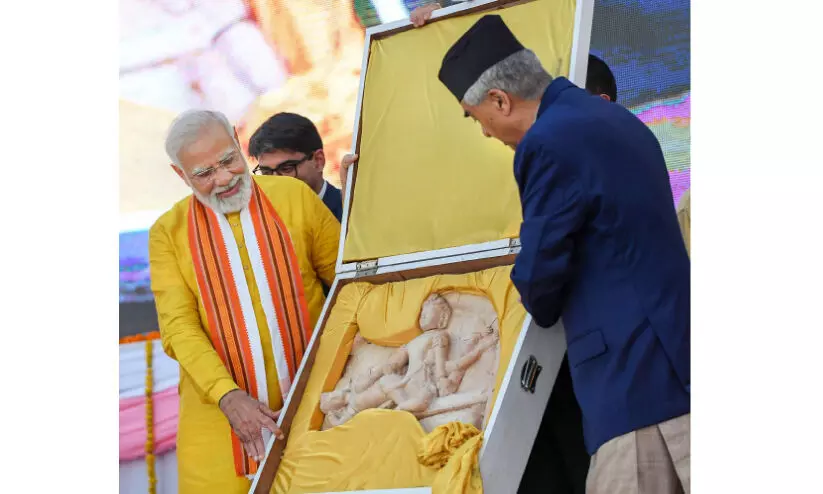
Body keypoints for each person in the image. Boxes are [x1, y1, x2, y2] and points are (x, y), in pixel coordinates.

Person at [436, 15, 691, 494]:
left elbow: (540, 282)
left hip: (635, 389)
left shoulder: (546, 143)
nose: (486, 133)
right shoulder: (612, 117)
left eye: (477, 118)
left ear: (500, 100)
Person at [149, 110, 339, 494]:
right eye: (204, 173)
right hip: (217, 421)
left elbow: (348, 282)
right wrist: (227, 396)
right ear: (180, 175)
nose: (223, 179)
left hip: (320, 398)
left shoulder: (294, 197)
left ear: (238, 141)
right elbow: (179, 328)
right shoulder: (167, 233)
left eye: (228, 161)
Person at [248, 112, 344, 221]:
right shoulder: (264, 222)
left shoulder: (350, 212)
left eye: (286, 169)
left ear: (318, 161)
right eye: (266, 172)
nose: (276, 181)